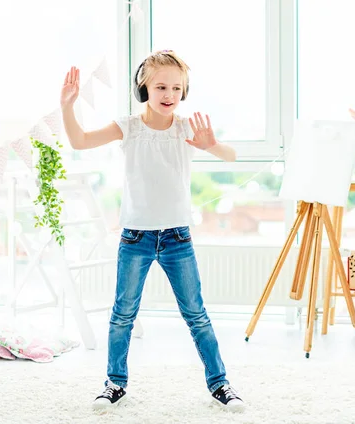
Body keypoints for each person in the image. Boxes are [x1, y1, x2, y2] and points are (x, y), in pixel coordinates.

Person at [60, 50, 244, 412]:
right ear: (143, 86)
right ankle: (114, 383)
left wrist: (213, 145)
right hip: (135, 238)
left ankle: (220, 384)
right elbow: (79, 141)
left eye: (177, 88)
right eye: (161, 86)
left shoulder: (186, 128)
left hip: (178, 238)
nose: (169, 94)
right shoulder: (127, 126)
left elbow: (231, 156)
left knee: (196, 315)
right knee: (122, 315)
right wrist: (67, 106)